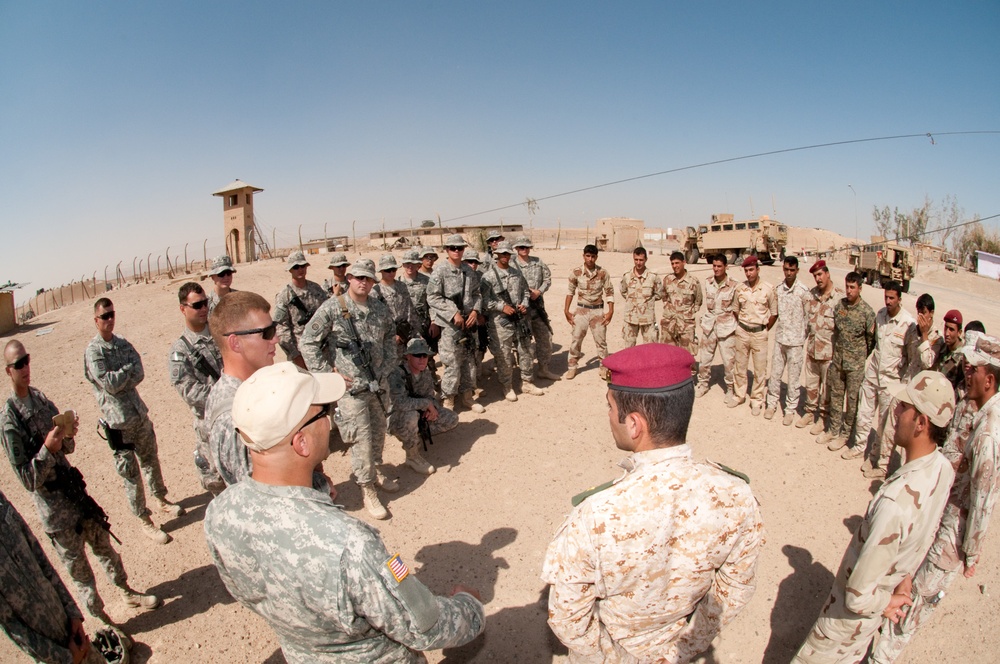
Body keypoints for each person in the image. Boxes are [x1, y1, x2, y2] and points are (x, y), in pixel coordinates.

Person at [204, 362, 485, 663]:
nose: (330, 420)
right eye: (323, 412)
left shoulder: (220, 514)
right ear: (301, 442)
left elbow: (247, 594)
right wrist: (469, 607)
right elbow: (423, 625)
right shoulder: (349, 544)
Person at [542, 343, 764, 662]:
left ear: (634, 425)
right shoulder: (736, 494)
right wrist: (682, 648)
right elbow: (734, 590)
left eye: (609, 406)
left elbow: (567, 619)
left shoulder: (595, 514)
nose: (607, 416)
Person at [793, 371, 957, 663]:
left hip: (846, 625)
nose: (895, 410)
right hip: (871, 617)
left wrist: (888, 601)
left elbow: (857, 596)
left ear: (921, 423)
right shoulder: (942, 469)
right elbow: (921, 535)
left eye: (904, 407)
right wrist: (904, 578)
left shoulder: (895, 503)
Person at [3, 340, 160, 633]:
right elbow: (27, 479)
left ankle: (127, 593)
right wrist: (47, 450)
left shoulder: (40, 399)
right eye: (19, 364)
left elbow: (67, 448)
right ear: (8, 371)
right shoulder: (10, 421)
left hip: (75, 495)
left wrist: (68, 436)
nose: (26, 368)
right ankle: (103, 621)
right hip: (55, 511)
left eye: (27, 360)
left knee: (105, 548)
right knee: (81, 572)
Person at [871, 334, 1000, 662]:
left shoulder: (988, 433)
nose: (966, 374)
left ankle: (880, 656)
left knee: (914, 603)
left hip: (952, 537)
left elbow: (983, 501)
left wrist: (971, 552)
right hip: (944, 519)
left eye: (974, 370)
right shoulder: (981, 414)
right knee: (908, 583)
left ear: (990, 380)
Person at [206, 291, 334, 496]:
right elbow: (265, 497)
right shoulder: (233, 416)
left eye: (274, 329)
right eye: (265, 333)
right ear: (235, 343)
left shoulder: (253, 391)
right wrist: (319, 487)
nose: (275, 339)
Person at [300, 258, 398, 520]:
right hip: (350, 391)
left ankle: (374, 472)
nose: (363, 283)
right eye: (358, 278)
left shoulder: (379, 308)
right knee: (360, 439)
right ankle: (367, 489)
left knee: (378, 433)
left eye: (368, 278)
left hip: (378, 385)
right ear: (350, 279)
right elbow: (308, 342)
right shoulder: (332, 308)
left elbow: (390, 336)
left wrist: (388, 365)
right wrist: (328, 373)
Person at [84, 298, 181, 544]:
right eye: (104, 316)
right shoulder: (94, 352)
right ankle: (143, 520)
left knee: (151, 460)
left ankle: (160, 499)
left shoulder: (122, 344)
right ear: (96, 321)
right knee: (130, 474)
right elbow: (109, 384)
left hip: (138, 415)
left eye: (111, 314)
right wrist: (126, 373)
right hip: (118, 424)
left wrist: (123, 374)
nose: (109, 319)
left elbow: (140, 372)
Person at [0, 487, 108, 663]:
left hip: (72, 632)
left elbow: (41, 561)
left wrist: (72, 612)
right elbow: (11, 626)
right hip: (54, 655)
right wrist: (66, 657)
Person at [853, 283, 924, 479]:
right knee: (864, 414)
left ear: (899, 299)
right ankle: (859, 447)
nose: (888, 301)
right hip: (873, 374)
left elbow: (911, 358)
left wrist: (902, 384)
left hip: (890, 382)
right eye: (886, 297)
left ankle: (877, 460)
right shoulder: (881, 315)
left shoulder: (907, 324)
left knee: (885, 425)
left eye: (892, 298)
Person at [168, 282, 225, 493]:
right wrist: (225, 391)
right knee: (218, 484)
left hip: (238, 416)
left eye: (205, 303)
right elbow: (190, 392)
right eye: (197, 305)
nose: (203, 309)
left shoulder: (221, 332)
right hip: (210, 425)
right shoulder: (181, 351)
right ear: (183, 309)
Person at [426, 235, 486, 414]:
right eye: (453, 248)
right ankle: (449, 399)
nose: (457, 251)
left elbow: (477, 294)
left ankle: (467, 396)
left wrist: (475, 311)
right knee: (451, 362)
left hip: (469, 323)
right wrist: (453, 313)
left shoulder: (469, 270)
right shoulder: (440, 271)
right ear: (447, 250)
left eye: (460, 248)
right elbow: (432, 297)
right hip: (451, 326)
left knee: (469, 360)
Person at [819, 272, 876, 454]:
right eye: (847, 287)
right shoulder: (840, 306)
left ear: (860, 288)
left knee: (852, 402)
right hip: (839, 361)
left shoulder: (867, 312)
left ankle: (845, 434)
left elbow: (871, 340)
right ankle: (833, 430)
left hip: (855, 366)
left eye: (853, 287)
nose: (849, 291)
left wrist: (858, 356)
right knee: (836, 397)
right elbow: (836, 331)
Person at [481, 241, 544, 401]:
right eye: (502, 254)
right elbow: (483, 300)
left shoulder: (517, 273)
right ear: (497, 255)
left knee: (526, 351)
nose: (505, 256)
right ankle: (507, 386)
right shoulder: (488, 276)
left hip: (520, 319)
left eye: (507, 254)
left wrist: (524, 304)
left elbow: (525, 291)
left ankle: (527, 382)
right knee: (504, 355)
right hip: (501, 323)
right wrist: (502, 307)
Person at [387, 338, 458, 476]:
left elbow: (430, 396)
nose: (422, 359)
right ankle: (412, 456)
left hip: (420, 413)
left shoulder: (425, 372)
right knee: (411, 416)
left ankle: (417, 433)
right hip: (397, 417)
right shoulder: (398, 373)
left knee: (452, 418)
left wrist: (432, 409)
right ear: (408, 356)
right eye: (417, 355)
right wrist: (426, 405)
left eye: (425, 355)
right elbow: (399, 403)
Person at [797, 260, 843, 434]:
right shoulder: (810, 296)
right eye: (815, 276)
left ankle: (823, 418)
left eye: (820, 274)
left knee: (827, 389)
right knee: (811, 385)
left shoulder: (839, 298)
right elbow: (806, 322)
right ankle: (809, 412)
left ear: (828, 273)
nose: (818, 279)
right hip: (812, 350)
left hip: (829, 354)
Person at [765, 256, 811, 424]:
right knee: (775, 375)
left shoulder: (804, 292)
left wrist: (801, 337)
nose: (789, 273)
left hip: (796, 343)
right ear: (783, 269)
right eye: (786, 269)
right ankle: (771, 404)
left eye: (792, 270)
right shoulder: (779, 290)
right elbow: (774, 313)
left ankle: (790, 409)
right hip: (780, 340)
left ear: (797, 270)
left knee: (793, 378)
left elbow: (808, 318)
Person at [731, 255, 777, 414]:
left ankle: (757, 400)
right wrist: (744, 325)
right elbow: (735, 310)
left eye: (751, 270)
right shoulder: (739, 289)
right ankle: (739, 394)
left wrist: (763, 329)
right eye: (746, 271)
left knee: (759, 369)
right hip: (742, 331)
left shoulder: (768, 289)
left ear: (758, 269)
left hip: (759, 334)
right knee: (740, 366)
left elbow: (774, 313)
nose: (749, 273)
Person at [513, 235, 561, 381]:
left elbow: (547, 279)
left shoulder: (538, 262)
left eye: (527, 247)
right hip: (521, 309)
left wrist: (539, 291)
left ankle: (543, 369)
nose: (525, 250)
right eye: (522, 247)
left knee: (545, 337)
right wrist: (526, 293)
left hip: (537, 307)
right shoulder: (511, 264)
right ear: (516, 249)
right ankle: (524, 375)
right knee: (523, 342)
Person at [563, 244, 614, 380]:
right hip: (581, 310)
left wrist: (610, 311)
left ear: (596, 257)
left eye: (593, 256)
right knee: (576, 339)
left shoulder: (603, 273)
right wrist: (566, 310)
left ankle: (604, 367)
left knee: (601, 341)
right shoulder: (576, 272)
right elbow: (570, 291)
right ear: (583, 256)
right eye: (588, 256)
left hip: (597, 311)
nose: (590, 259)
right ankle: (572, 367)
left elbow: (609, 292)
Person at [274, 250, 329, 369]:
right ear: (290, 270)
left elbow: (327, 314)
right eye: (296, 267)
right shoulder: (285, 295)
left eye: (303, 266)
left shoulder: (316, 289)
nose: (300, 269)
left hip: (321, 348)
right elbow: (282, 328)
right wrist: (295, 355)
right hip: (300, 353)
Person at [695, 253, 740, 399]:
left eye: (719, 266)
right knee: (705, 359)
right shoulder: (708, 282)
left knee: (728, 361)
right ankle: (703, 383)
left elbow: (737, 307)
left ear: (726, 267)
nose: (716, 269)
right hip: (709, 326)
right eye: (714, 266)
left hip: (726, 327)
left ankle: (730, 388)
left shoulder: (734, 284)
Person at [372, 253, 422, 361]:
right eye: (387, 270)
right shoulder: (375, 291)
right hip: (390, 340)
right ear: (381, 271)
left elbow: (410, 310)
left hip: (407, 334)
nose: (391, 273)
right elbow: (376, 320)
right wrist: (391, 336)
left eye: (393, 269)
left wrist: (417, 333)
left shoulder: (401, 286)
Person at [399, 248, 439, 372]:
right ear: (403, 265)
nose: (410, 267)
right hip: (405, 326)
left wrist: (433, 322)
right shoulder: (398, 283)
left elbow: (432, 303)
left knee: (425, 355)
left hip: (423, 324)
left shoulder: (426, 281)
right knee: (406, 356)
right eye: (407, 264)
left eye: (413, 264)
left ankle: (430, 378)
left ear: (418, 264)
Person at [659, 250, 703, 358]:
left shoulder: (693, 281)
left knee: (687, 356)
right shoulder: (667, 280)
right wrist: (669, 309)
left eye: (677, 263)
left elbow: (698, 300)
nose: (675, 266)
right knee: (667, 354)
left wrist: (688, 313)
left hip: (686, 325)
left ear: (684, 262)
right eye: (672, 263)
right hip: (669, 324)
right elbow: (664, 296)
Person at [618, 246, 662, 348]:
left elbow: (659, 294)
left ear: (646, 259)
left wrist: (646, 303)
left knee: (650, 349)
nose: (638, 263)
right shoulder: (627, 276)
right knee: (629, 349)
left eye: (641, 260)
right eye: (636, 260)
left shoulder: (653, 277)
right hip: (630, 318)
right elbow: (623, 291)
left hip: (647, 319)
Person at [932, 309, 966, 394]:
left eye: (951, 329)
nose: (947, 333)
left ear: (959, 332)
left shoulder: (963, 358)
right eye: (946, 328)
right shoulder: (942, 348)